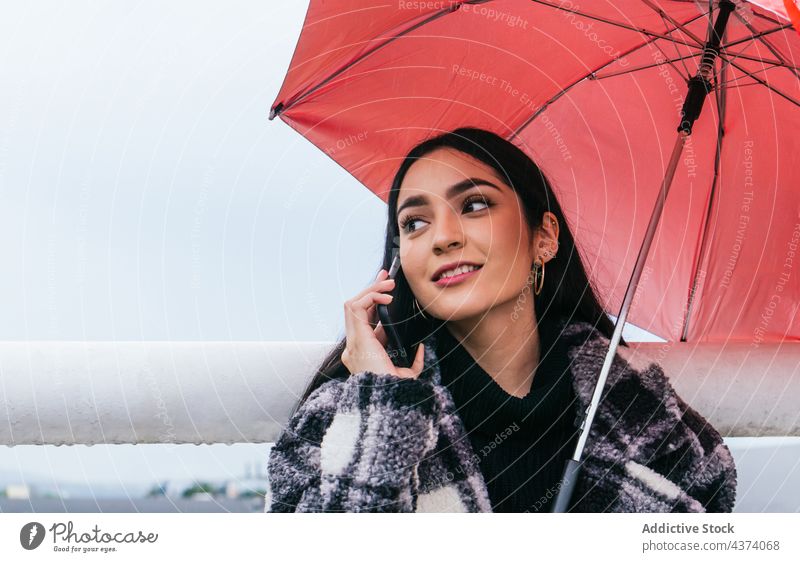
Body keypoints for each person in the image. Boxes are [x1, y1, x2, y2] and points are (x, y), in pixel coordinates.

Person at [265, 127, 737, 513]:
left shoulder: (645, 414)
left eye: (473, 206)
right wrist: (384, 414)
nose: (443, 238)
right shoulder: (345, 415)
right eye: (414, 223)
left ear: (544, 237)